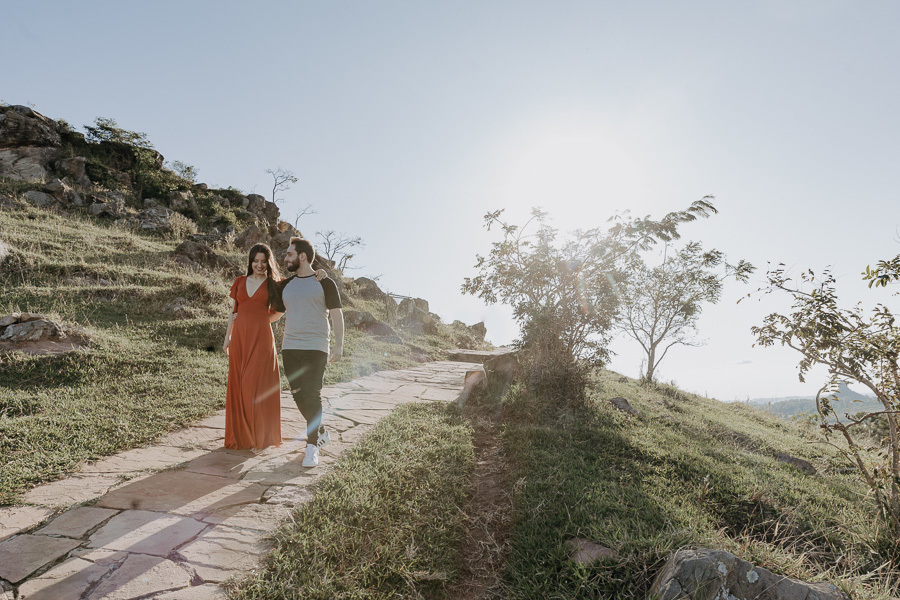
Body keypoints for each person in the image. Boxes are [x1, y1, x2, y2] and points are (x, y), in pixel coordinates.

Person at [278, 237, 344, 467]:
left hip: (316, 346)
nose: (285, 258)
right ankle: (321, 430)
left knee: (312, 393)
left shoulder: (324, 283)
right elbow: (273, 310)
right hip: (290, 347)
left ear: (302, 256)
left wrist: (339, 344)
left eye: (289, 254)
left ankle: (311, 446)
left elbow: (336, 313)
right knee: (298, 394)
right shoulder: (286, 285)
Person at [223, 243, 285, 450]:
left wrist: (259, 319)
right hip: (239, 337)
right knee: (239, 385)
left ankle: (257, 435)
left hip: (261, 338)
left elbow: (278, 312)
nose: (259, 265)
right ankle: (242, 437)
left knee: (253, 384)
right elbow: (233, 312)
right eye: (255, 261)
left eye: (263, 261)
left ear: (269, 263)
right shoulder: (240, 281)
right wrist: (227, 338)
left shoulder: (272, 284)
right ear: (250, 262)